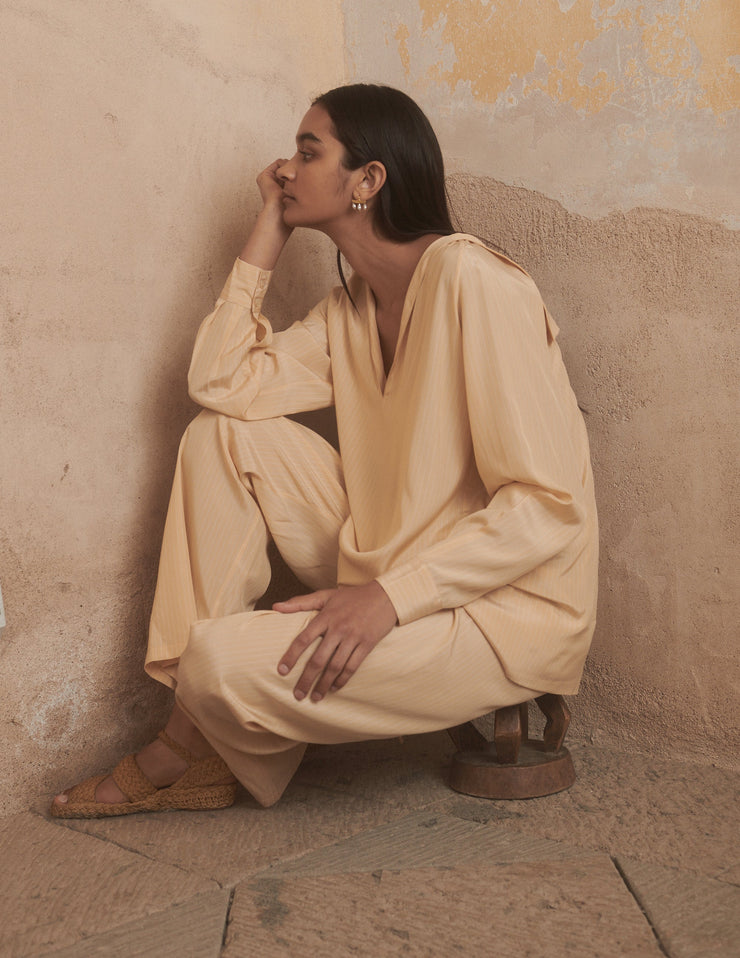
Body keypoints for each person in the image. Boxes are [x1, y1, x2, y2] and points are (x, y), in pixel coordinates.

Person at [51, 83, 598, 818]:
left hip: (498, 614)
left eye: (308, 153)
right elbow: (219, 382)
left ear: (367, 179)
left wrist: (388, 598)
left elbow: (548, 506)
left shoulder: (474, 281)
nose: (284, 169)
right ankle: (196, 743)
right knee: (221, 433)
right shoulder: (350, 310)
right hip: (397, 560)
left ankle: (187, 741)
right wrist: (268, 232)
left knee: (213, 660)